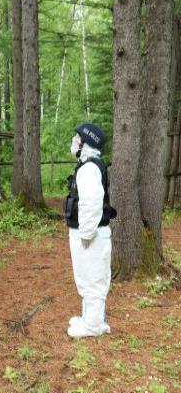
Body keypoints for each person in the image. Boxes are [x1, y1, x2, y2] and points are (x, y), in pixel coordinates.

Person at [64, 123, 116, 338]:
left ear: (86, 143)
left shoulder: (89, 169)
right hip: (88, 234)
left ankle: (93, 326)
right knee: (86, 276)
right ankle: (91, 319)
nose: (74, 141)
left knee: (93, 278)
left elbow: (92, 203)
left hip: (91, 236)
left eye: (77, 138)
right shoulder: (88, 166)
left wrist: (86, 233)